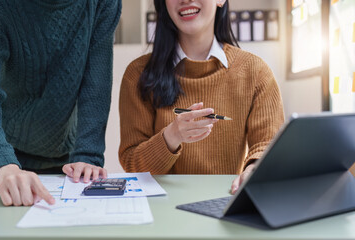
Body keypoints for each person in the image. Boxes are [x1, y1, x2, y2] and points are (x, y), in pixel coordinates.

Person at [119, 0, 284, 193]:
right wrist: (171, 136)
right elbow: (131, 163)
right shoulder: (138, 75)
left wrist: (254, 169)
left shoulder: (256, 73)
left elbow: (269, 146)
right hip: (161, 213)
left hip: (223, 204)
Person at [0, 0, 122, 206]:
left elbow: (96, 84)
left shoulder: (103, 3)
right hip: (6, 155)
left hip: (67, 160)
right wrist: (2, 161)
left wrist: (88, 155)